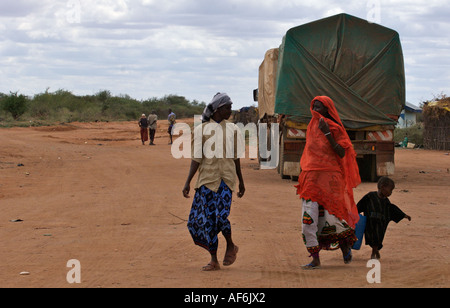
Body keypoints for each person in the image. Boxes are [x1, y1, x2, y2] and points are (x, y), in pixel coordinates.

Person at [296, 96, 361, 270]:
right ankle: (315, 259)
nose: (315, 109)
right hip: (311, 179)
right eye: (313, 106)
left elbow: (341, 153)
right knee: (308, 220)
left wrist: (327, 133)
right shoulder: (311, 126)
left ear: (328, 110)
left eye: (319, 106)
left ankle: (345, 247)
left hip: (331, 180)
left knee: (333, 218)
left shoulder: (335, 128)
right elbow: (308, 153)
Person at [182, 93, 245, 271]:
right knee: (208, 220)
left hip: (226, 180)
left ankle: (231, 245)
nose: (231, 111)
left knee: (220, 217)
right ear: (218, 109)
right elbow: (196, 158)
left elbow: (236, 157)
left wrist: (241, 181)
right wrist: (188, 182)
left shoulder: (233, 129)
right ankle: (214, 259)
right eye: (228, 108)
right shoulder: (201, 130)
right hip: (207, 180)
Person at [357, 177, 411, 259]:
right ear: (382, 187)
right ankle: (376, 251)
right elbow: (360, 205)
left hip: (380, 225)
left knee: (377, 239)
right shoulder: (370, 197)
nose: (391, 193)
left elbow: (393, 209)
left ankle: (373, 253)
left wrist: (404, 215)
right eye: (390, 190)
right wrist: (353, 213)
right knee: (371, 239)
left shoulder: (386, 202)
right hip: (370, 224)